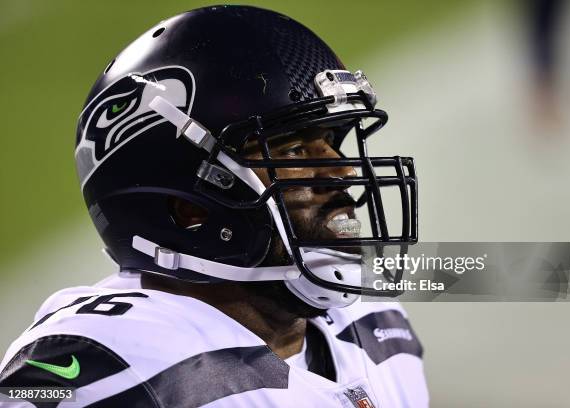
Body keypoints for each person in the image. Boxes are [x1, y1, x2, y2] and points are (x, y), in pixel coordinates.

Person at [0, 5, 427, 407]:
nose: (343, 172)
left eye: (331, 141)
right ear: (189, 209)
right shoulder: (106, 366)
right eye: (295, 151)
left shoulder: (373, 323)